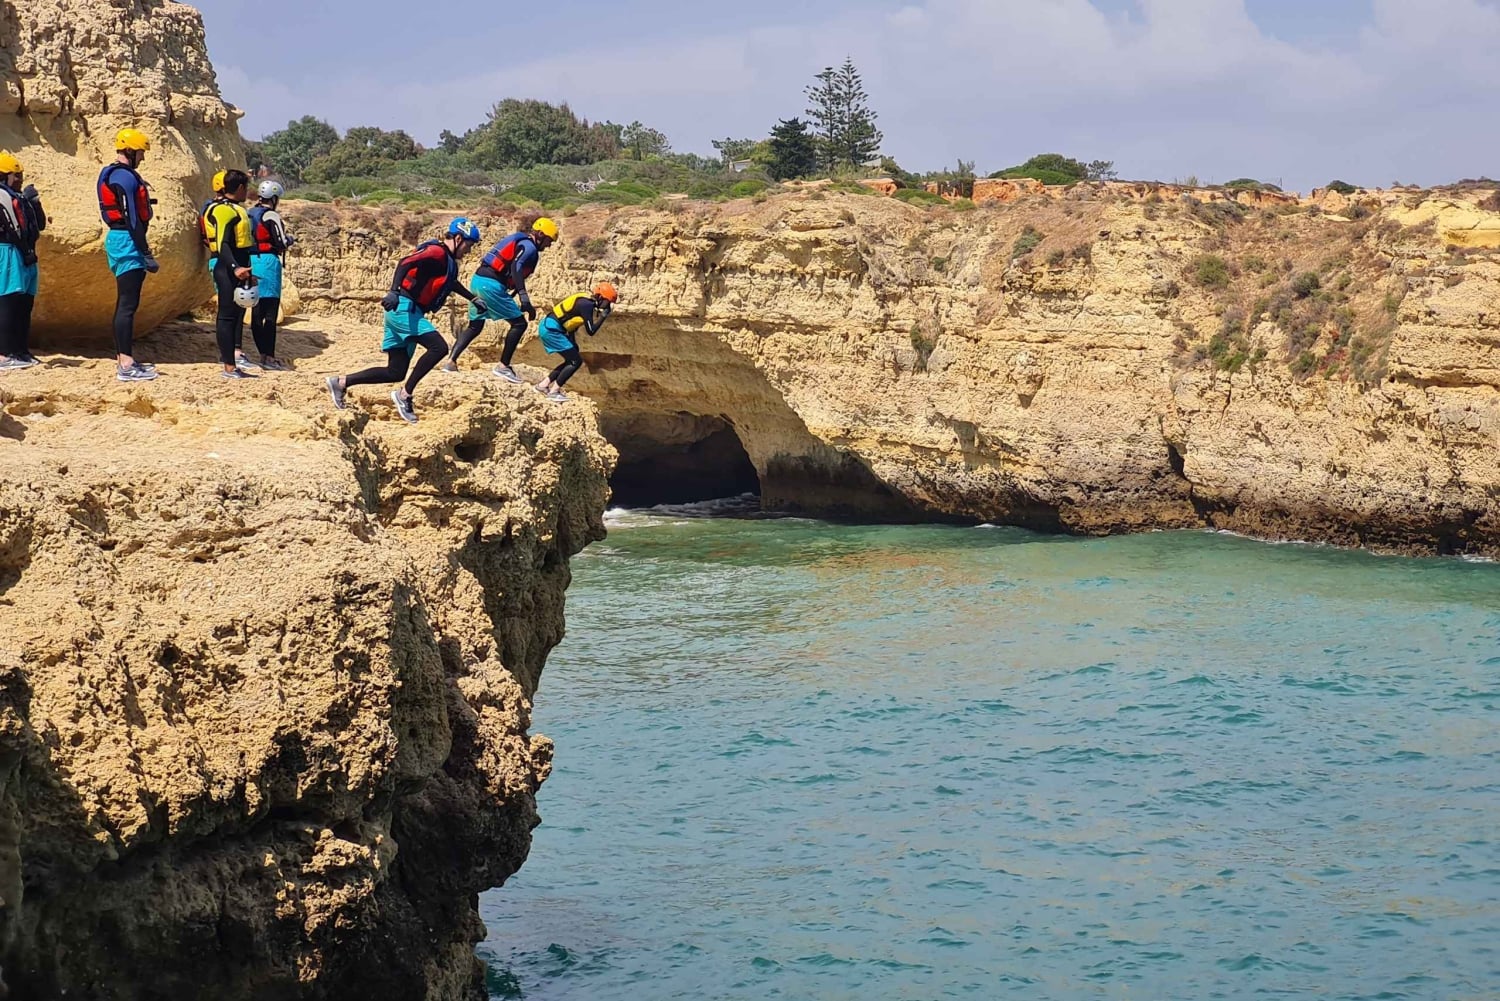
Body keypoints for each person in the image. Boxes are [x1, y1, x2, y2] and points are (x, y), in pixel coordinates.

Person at [326, 218, 487, 424]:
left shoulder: (447, 261)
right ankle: (405, 395)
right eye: (468, 245)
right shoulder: (437, 252)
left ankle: (341, 383)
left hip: (410, 311)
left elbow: (451, 282)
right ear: (457, 238)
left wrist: (472, 298)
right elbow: (405, 262)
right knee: (439, 348)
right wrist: (393, 291)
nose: (469, 250)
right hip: (403, 308)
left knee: (395, 371)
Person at [441, 216, 558, 380]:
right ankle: (503, 366)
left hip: (477, 280)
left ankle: (450, 362)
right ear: (539, 234)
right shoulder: (529, 247)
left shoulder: (521, 241)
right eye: (548, 240)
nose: (548, 245)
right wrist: (524, 298)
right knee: (519, 324)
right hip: (491, 285)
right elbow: (516, 267)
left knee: (475, 325)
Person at [97, 128, 159, 381]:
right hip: (127, 241)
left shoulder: (112, 173)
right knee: (127, 304)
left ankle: (125, 359)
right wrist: (145, 251)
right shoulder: (125, 178)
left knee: (127, 302)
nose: (143, 157)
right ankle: (125, 364)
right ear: (131, 151)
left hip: (121, 239)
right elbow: (132, 217)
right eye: (141, 152)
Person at [200, 169, 257, 379]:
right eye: (246, 188)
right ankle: (229, 367)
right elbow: (223, 243)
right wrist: (236, 268)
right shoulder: (224, 210)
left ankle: (233, 363)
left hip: (236, 265)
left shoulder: (234, 208)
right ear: (240, 188)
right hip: (226, 267)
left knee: (235, 315)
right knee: (226, 316)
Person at [532, 283, 617, 402]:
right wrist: (603, 317)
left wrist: (572, 342)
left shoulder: (585, 301)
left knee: (571, 359)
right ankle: (554, 391)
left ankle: (543, 385)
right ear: (601, 297)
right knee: (575, 361)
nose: (608, 306)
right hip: (551, 330)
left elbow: (571, 324)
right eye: (608, 302)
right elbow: (591, 331)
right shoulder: (586, 305)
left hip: (548, 327)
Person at [0, 151, 44, 371]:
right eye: (15, 176)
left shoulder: (20, 198)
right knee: (8, 302)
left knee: (24, 303)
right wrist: (24, 252)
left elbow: (39, 225)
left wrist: (35, 203)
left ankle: (20, 350)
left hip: (23, 253)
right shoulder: (2, 196)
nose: (19, 180)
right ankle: (4, 354)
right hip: (8, 251)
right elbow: (12, 228)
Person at [247, 179, 294, 370]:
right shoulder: (271, 215)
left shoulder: (249, 212)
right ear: (273, 198)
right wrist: (290, 239)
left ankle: (261, 354)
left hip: (251, 260)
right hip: (268, 262)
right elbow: (282, 242)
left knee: (256, 311)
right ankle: (269, 357)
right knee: (270, 314)